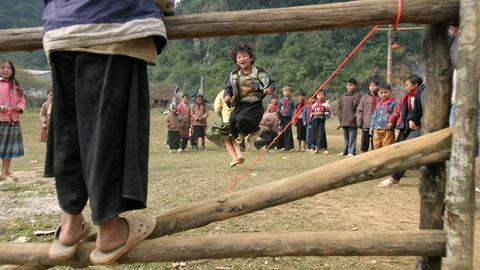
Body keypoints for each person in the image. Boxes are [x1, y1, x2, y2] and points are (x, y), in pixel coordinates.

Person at [43, 0, 167, 264]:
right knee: (107, 129)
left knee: (68, 130)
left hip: (60, 25)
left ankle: (69, 225)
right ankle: (110, 230)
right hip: (114, 20)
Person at [223, 43, 276, 167]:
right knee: (232, 121)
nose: (242, 59)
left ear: (250, 57)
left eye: (244, 56)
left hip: (254, 105)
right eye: (239, 57)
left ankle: (255, 130)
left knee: (241, 119)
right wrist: (227, 95)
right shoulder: (234, 75)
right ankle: (242, 136)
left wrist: (269, 90)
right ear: (236, 60)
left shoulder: (259, 72)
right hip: (240, 104)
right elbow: (228, 88)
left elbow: (271, 83)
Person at [378, 75, 425, 187]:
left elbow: (425, 111)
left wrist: (420, 123)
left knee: (406, 150)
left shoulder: (424, 93)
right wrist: (411, 120)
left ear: (415, 85)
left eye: (407, 85)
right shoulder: (407, 97)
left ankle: (395, 177)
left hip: (423, 127)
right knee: (399, 148)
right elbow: (413, 111)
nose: (405, 88)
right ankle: (394, 175)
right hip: (406, 126)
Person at [0, 60, 25, 181]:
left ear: (12, 70)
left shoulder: (17, 85)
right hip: (0, 119)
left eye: (8, 68)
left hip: (13, 120)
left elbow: (22, 100)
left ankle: (5, 172)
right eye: (2, 67)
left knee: (8, 148)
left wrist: (19, 107)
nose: (5, 70)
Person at [213, 89, 240, 166]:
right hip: (237, 118)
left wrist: (219, 114)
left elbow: (217, 108)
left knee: (227, 140)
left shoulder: (221, 94)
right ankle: (239, 154)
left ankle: (235, 158)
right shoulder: (237, 92)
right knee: (235, 138)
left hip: (226, 119)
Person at [337, 78, 362, 156]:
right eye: (348, 85)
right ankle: (345, 151)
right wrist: (340, 117)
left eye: (352, 85)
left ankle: (351, 151)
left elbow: (359, 109)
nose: (350, 87)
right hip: (343, 120)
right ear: (346, 86)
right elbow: (339, 107)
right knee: (346, 137)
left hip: (352, 121)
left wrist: (354, 117)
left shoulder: (358, 96)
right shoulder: (343, 96)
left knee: (352, 137)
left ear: (355, 86)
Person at [369, 83, 397, 149]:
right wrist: (371, 127)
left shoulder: (394, 103)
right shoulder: (378, 104)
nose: (383, 94)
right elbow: (374, 116)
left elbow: (396, 113)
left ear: (390, 91)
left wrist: (391, 122)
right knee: (376, 146)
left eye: (385, 92)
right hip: (377, 129)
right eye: (381, 93)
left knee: (387, 147)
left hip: (387, 129)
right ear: (378, 94)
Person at [356, 79, 379, 152]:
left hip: (377, 123)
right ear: (369, 87)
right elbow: (360, 110)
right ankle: (364, 154)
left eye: (374, 85)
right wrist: (359, 122)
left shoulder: (380, 97)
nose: (372, 87)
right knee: (364, 143)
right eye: (371, 85)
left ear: (377, 87)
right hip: (366, 122)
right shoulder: (364, 97)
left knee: (375, 142)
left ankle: (375, 153)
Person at [278, 86, 295, 151]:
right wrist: (278, 117)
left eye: (288, 91)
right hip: (282, 117)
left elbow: (294, 109)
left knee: (288, 131)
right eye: (285, 91)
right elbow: (278, 109)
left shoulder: (292, 100)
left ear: (290, 92)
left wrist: (293, 116)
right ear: (283, 92)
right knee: (281, 130)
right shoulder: (281, 100)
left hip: (288, 117)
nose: (286, 92)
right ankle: (282, 145)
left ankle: (289, 146)